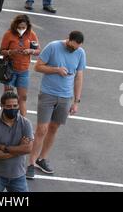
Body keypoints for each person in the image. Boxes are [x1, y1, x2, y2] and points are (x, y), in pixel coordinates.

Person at [26, 31, 86, 179]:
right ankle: (31, 163)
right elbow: (38, 67)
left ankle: (42, 159)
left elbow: (79, 77)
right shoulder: (53, 47)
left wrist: (76, 102)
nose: (74, 50)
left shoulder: (80, 53)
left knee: (53, 128)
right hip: (48, 94)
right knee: (41, 129)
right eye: (72, 47)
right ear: (68, 40)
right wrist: (56, 70)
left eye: (77, 47)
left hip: (65, 97)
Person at [0, 91, 33, 192]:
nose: (12, 109)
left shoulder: (26, 124)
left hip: (18, 176)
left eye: (15, 105)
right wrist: (19, 150)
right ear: (2, 106)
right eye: (8, 106)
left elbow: (28, 148)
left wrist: (4, 148)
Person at [0, 15, 41, 117]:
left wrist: (31, 51)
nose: (22, 30)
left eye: (24, 27)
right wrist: (10, 52)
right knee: (7, 98)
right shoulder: (8, 34)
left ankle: (23, 121)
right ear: (15, 26)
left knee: (22, 97)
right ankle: (4, 118)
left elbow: (38, 50)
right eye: (20, 27)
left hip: (24, 71)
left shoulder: (31, 34)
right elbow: (1, 51)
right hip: (10, 70)